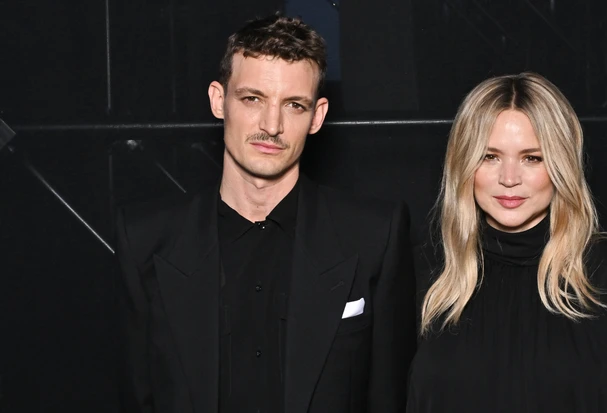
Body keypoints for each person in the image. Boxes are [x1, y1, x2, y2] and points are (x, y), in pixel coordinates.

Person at [114, 15, 415, 413]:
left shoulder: (375, 234)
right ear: (219, 100)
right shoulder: (144, 238)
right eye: (252, 98)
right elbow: (132, 396)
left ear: (317, 115)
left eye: (293, 105)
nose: (271, 126)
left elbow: (390, 397)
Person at [408, 72, 607, 412]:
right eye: (489, 156)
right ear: (463, 164)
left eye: (531, 158)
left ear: (561, 164)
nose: (509, 178)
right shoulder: (422, 276)